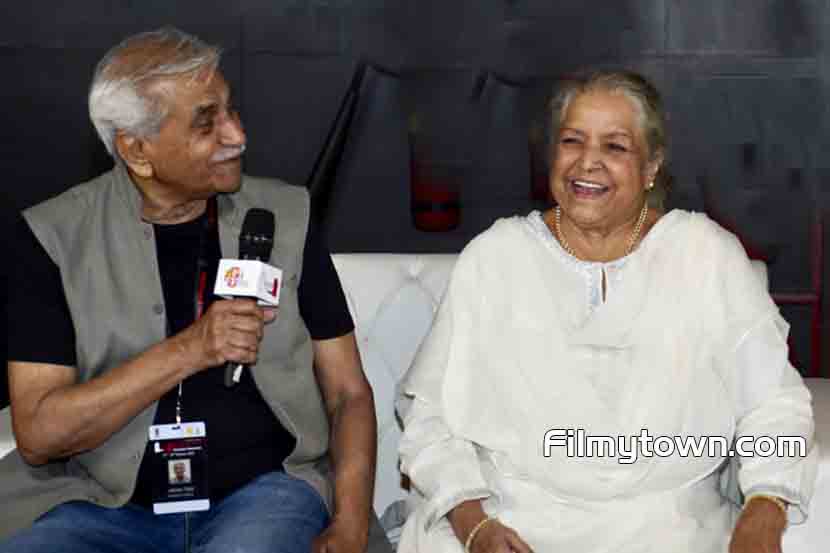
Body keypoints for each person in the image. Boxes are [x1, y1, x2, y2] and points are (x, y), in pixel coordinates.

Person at [395, 70, 818, 553]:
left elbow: (775, 406)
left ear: (651, 166)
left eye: (615, 147)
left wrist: (764, 510)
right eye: (572, 141)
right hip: (513, 519)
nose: (588, 162)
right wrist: (475, 528)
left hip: (671, 528)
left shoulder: (705, 254)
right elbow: (430, 420)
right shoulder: (496, 257)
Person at [1, 27, 389, 553]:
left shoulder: (285, 216)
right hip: (99, 503)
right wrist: (193, 348)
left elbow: (348, 394)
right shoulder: (53, 238)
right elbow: (40, 434)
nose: (236, 135)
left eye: (232, 110)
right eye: (207, 123)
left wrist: (349, 525)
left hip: (264, 496)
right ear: (137, 151)